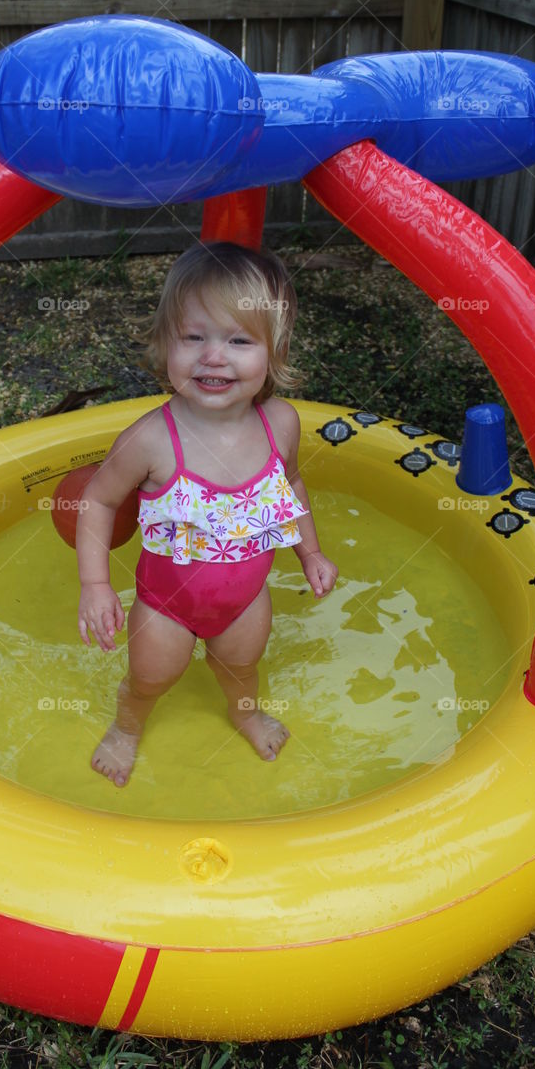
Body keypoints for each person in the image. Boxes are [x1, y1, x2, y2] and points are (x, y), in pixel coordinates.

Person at [76, 240, 338, 787]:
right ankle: (127, 728)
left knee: (242, 668)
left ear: (274, 350)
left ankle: (243, 712)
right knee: (149, 678)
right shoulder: (152, 440)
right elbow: (98, 501)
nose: (212, 356)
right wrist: (95, 585)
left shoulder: (280, 424)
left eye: (238, 340)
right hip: (166, 604)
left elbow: (289, 484)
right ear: (165, 344)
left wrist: (308, 550)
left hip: (246, 599)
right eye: (193, 337)